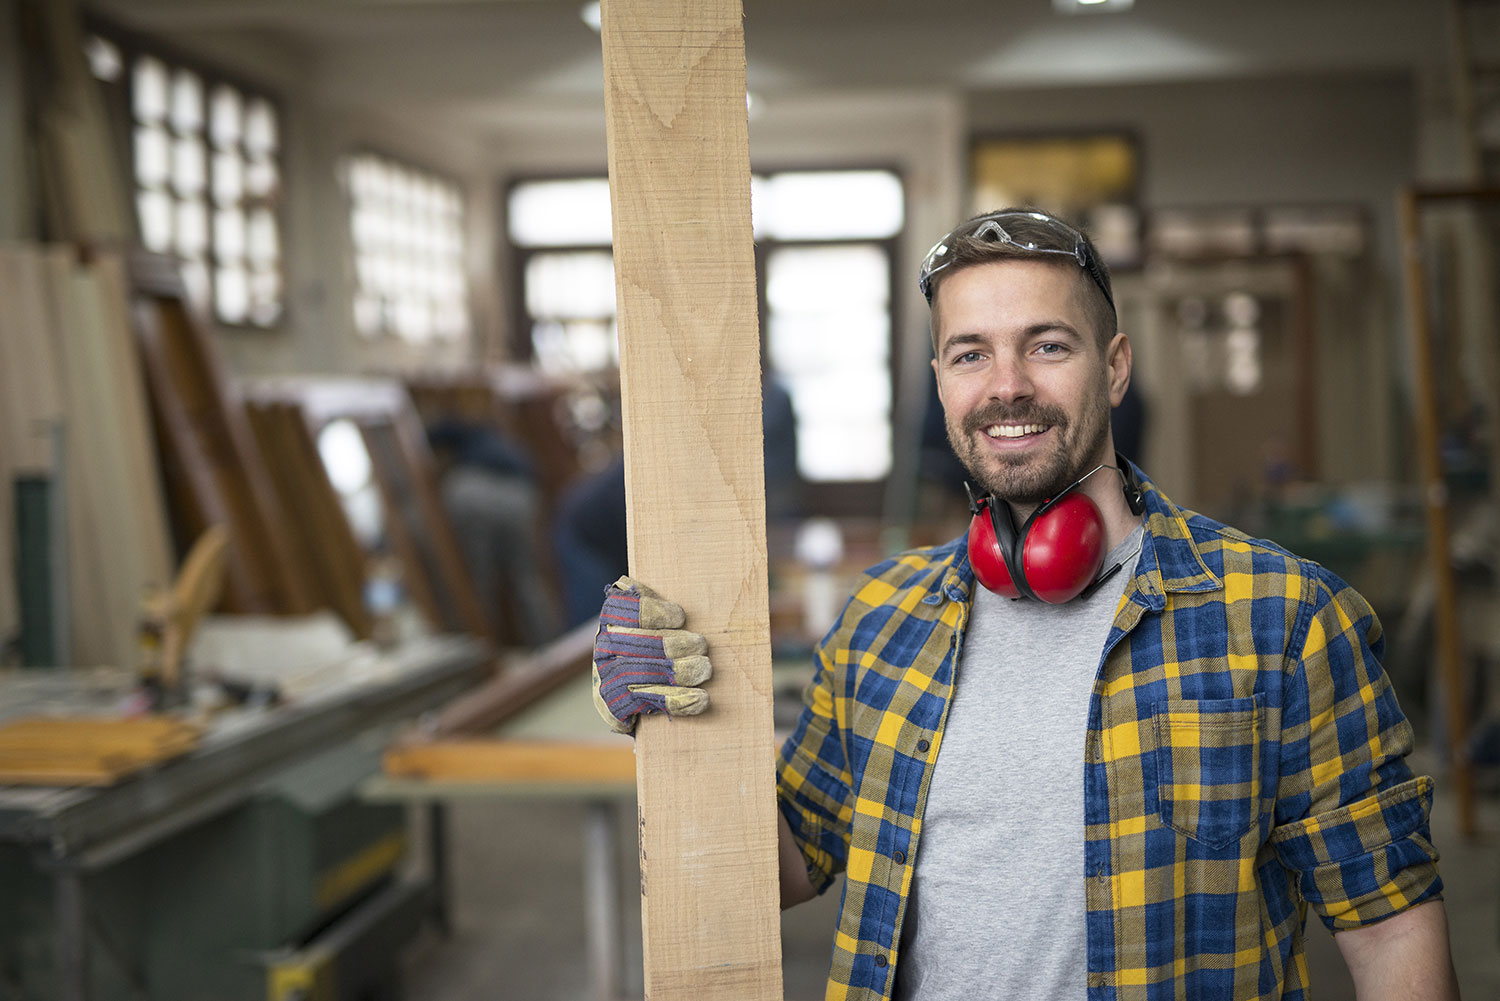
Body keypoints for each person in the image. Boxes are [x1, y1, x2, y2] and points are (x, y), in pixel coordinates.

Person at [591, 208, 1459, 1000]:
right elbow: (779, 866)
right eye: (971, 353)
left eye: (1047, 345)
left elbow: (1388, 926)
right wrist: (676, 732)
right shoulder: (883, 619)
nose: (1006, 385)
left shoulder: (1283, 617)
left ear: (1114, 367)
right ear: (942, 383)